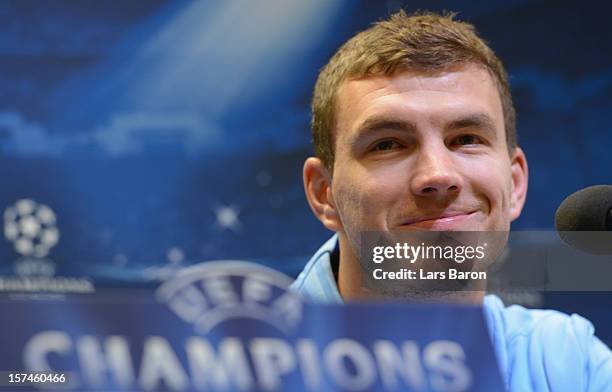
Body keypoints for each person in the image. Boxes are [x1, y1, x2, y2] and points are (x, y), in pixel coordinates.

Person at [290, 10, 612, 391]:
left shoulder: (567, 361)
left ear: (515, 184)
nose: (438, 175)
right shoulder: (233, 366)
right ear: (322, 193)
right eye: (388, 144)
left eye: (466, 139)